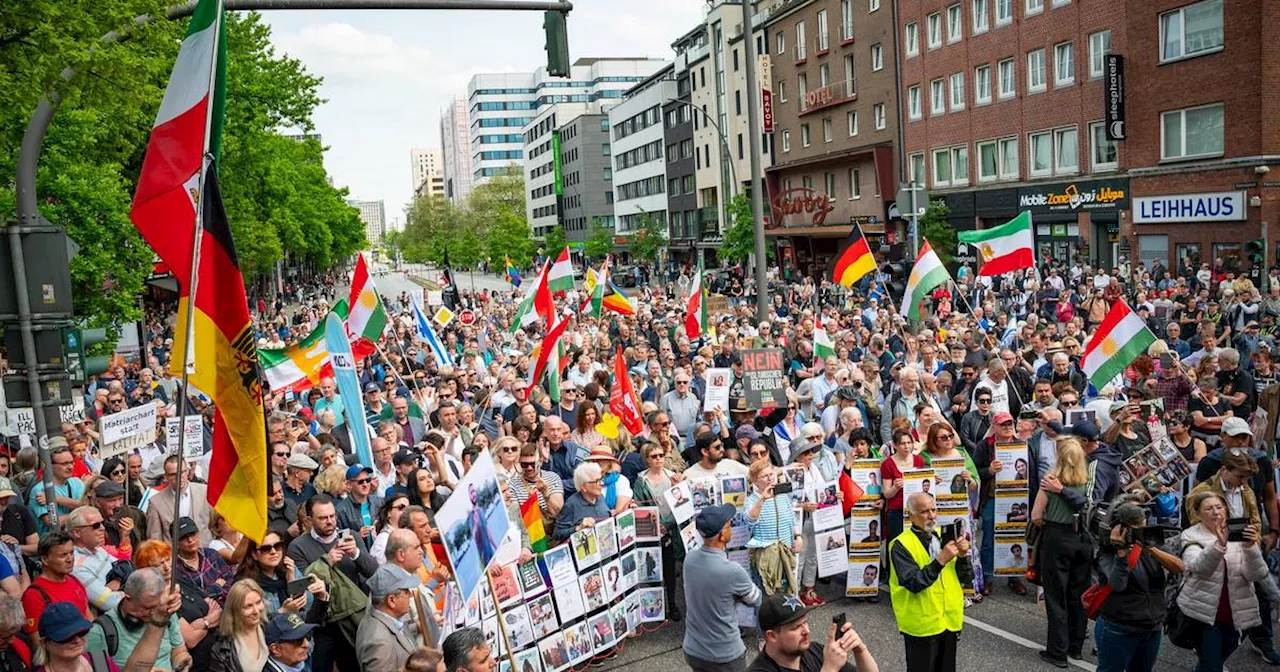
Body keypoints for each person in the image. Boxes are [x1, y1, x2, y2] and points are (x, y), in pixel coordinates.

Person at [1178, 491, 1269, 672]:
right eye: (1209, 508)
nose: (1216, 512)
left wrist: (1251, 548)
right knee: (1212, 666)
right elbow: (1199, 568)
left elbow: (1257, 575)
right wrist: (1219, 544)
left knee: (1214, 660)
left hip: (1238, 613)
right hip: (1204, 615)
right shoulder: (1190, 535)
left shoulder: (1238, 534)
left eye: (1219, 507)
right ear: (1197, 514)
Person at [1092, 497, 1184, 672]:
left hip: (1152, 627)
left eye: (1143, 525)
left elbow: (1179, 567)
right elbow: (1118, 584)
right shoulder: (1106, 552)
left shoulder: (1150, 543)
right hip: (1119, 628)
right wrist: (1121, 554)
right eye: (1136, 528)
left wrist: (1149, 547)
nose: (1141, 531)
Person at [889, 492, 971, 672]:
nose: (932, 515)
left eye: (934, 509)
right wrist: (940, 560)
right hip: (921, 625)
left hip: (948, 620)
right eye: (924, 512)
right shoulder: (900, 545)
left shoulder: (944, 536)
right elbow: (913, 583)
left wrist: (964, 557)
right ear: (911, 516)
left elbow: (966, 578)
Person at [1029, 438, 1092, 667]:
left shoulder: (1050, 481)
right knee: (1079, 594)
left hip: (1056, 536)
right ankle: (1076, 647)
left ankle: (1057, 651)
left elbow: (1036, 515)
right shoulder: (1086, 480)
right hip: (1082, 540)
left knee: (1056, 596)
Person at [682, 504, 763, 672]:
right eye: (729, 525)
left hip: (693, 649)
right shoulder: (732, 570)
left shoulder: (690, 558)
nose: (732, 527)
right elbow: (756, 599)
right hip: (725, 655)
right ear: (721, 535)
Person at [87, 568, 191, 672]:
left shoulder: (163, 611)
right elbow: (100, 668)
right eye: (147, 608)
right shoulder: (98, 632)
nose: (153, 613)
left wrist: (181, 664)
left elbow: (179, 651)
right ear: (128, 598)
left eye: (156, 607)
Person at [747, 592, 879, 672]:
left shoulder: (814, 650)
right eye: (796, 627)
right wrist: (830, 669)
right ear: (772, 636)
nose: (806, 631)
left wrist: (860, 650)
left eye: (805, 623)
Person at [38, 599, 172, 672]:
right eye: (66, 636)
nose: (77, 640)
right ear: (45, 643)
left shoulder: (98, 660)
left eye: (81, 632)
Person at [355, 565, 422, 672]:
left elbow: (398, 635)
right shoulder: (379, 643)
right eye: (406, 591)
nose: (410, 595)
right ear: (391, 600)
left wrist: (417, 627)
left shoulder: (388, 618)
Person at [22, 530, 89, 638]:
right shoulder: (34, 595)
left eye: (71, 553)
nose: (70, 559)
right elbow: (37, 642)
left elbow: (88, 616)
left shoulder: (74, 580)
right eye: (63, 555)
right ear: (44, 559)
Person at [65, 506, 124, 614]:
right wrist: (132, 593)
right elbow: (109, 602)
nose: (102, 528)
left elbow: (125, 565)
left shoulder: (97, 550)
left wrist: (117, 580)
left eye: (102, 523)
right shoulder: (77, 566)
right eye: (95, 525)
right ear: (77, 533)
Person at [146, 455, 213, 545]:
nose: (178, 477)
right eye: (173, 474)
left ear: (188, 472)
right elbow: (154, 540)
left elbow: (215, 524)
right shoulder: (155, 502)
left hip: (204, 552)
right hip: (174, 556)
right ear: (166, 476)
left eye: (182, 472)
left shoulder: (204, 491)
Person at [207, 579, 269, 672]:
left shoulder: (271, 629)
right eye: (248, 606)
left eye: (258, 602)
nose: (256, 611)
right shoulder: (222, 648)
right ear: (235, 610)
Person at [550, 462, 610, 545]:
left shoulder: (600, 497)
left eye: (601, 479)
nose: (602, 483)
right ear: (584, 487)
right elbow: (557, 534)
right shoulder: (571, 505)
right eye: (597, 481)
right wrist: (578, 528)